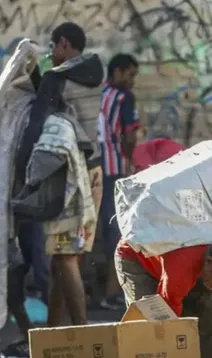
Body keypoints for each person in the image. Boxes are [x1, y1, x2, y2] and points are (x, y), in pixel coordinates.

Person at [18, 22, 104, 327]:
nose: (52, 54)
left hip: (68, 177)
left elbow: (38, 124)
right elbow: (66, 105)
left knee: (65, 259)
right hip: (94, 174)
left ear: (64, 44)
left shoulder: (57, 77)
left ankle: (83, 332)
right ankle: (53, 337)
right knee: (63, 259)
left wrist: (26, 181)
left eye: (54, 47)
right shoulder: (95, 74)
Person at [97, 53, 141, 310]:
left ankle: (99, 291)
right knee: (117, 232)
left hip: (92, 172)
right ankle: (112, 293)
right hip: (114, 172)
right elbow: (129, 136)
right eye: (131, 75)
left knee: (98, 232)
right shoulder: (125, 98)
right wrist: (129, 162)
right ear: (118, 72)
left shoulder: (98, 95)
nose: (132, 81)